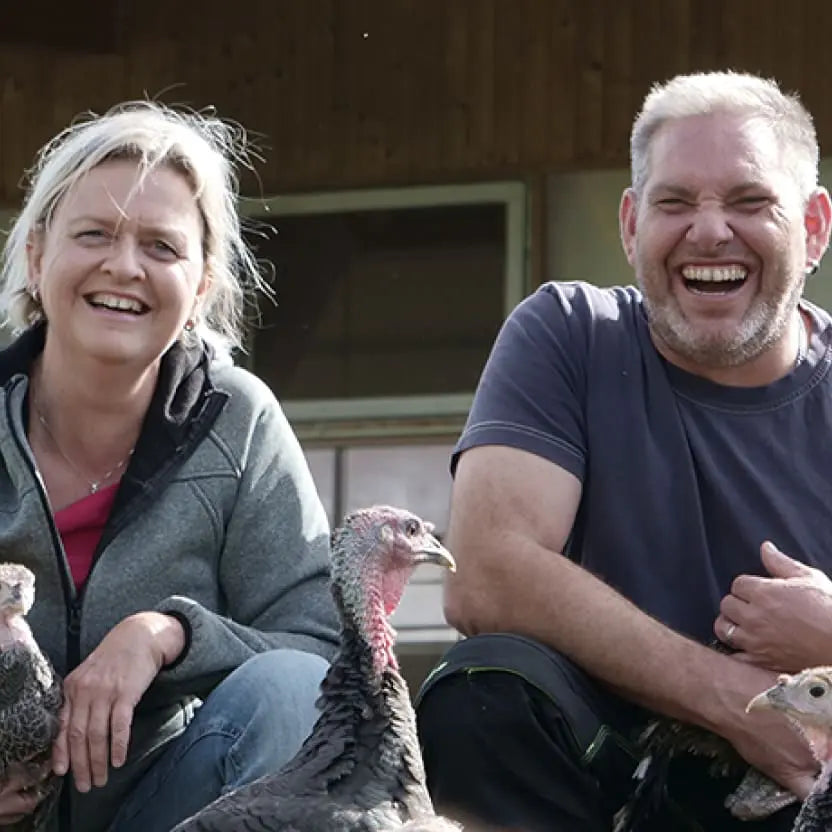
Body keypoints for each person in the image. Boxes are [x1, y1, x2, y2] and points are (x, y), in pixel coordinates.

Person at [416, 71, 832, 831]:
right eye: (676, 203)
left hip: (803, 790)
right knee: (488, 685)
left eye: (749, 202)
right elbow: (483, 575)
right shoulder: (568, 334)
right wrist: (732, 703)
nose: (709, 231)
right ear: (631, 224)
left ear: (814, 227)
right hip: (603, 778)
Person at [0, 102, 340, 831]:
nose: (124, 266)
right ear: (35, 255)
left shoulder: (238, 420)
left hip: (169, 808)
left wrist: (167, 635)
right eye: (93, 234)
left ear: (204, 283)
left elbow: (324, 653)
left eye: (162, 246)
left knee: (291, 690)